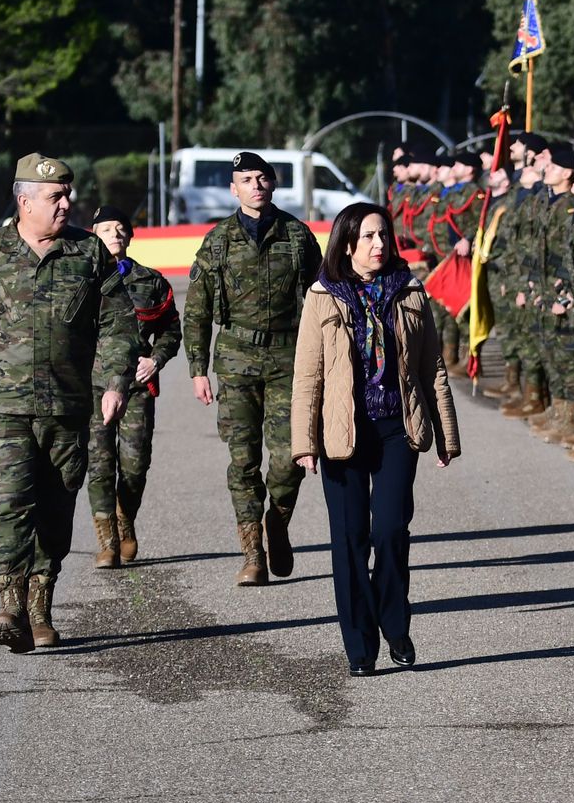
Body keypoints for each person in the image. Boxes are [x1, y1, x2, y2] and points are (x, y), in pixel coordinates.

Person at [0, 153, 139, 652]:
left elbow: (119, 324)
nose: (66, 204)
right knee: (11, 501)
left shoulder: (88, 253)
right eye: (55, 197)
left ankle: (39, 608)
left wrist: (115, 382)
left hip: (68, 408)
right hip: (2, 408)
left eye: (68, 194)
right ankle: (9, 604)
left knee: (55, 511)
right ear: (24, 201)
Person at [291, 203, 461, 675]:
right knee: (349, 541)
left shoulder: (409, 291)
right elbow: (307, 375)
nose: (379, 245)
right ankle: (359, 646)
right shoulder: (322, 296)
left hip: (395, 431)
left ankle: (396, 623)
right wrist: (303, 443)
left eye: (384, 236)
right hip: (341, 436)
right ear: (347, 244)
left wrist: (446, 434)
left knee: (388, 532)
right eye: (368, 237)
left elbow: (432, 367)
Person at [185, 151, 323, 587]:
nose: (256, 185)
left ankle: (277, 523)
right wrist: (197, 367)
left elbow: (321, 301)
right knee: (243, 461)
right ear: (234, 188)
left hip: (288, 360)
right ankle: (252, 553)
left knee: (290, 458)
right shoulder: (218, 241)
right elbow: (198, 308)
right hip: (237, 361)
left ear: (273, 184)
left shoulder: (298, 236)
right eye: (246, 179)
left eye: (262, 178)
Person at [85, 205, 181, 568]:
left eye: (121, 228)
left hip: (136, 388)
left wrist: (156, 359)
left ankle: (126, 520)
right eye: (107, 229)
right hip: (92, 385)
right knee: (98, 464)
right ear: (94, 234)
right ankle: (107, 541)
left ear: (130, 235)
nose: (115, 234)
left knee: (135, 465)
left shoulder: (149, 280)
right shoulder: (80, 277)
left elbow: (171, 328)